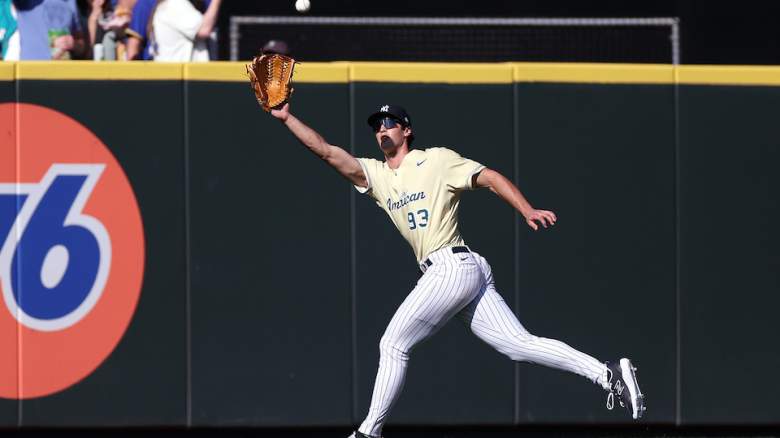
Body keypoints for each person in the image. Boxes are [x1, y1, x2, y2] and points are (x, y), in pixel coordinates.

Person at [268, 102, 646, 437]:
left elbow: (490, 177)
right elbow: (326, 151)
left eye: (390, 123)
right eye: (377, 125)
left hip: (451, 265)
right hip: (458, 272)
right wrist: (287, 118)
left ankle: (369, 432)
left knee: (393, 344)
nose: (382, 129)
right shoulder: (377, 175)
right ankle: (607, 372)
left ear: (407, 130)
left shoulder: (436, 160)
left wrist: (527, 209)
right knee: (518, 345)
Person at [150, 0, 221, 62]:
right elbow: (204, 29)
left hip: (172, 72)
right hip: (177, 74)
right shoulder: (175, 4)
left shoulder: (168, 4)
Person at [14, 0, 86, 60]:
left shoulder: (70, 2)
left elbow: (81, 46)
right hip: (31, 71)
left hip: (62, 72)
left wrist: (74, 44)